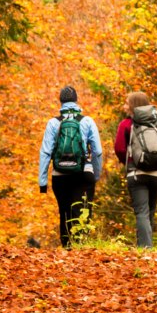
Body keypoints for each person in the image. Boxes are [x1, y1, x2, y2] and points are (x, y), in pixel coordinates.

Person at [38, 85, 103, 247]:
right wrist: (95, 175)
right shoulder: (87, 121)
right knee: (82, 211)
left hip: (60, 175)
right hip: (83, 173)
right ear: (76, 100)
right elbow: (98, 151)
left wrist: (42, 182)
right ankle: (81, 248)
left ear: (60, 101)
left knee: (65, 211)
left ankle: (67, 249)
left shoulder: (53, 123)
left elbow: (45, 152)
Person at [114, 91, 157, 248]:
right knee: (150, 211)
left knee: (141, 212)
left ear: (133, 105)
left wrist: (127, 162)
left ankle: (145, 250)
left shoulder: (126, 125)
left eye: (127, 103)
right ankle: (147, 247)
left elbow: (120, 148)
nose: (124, 106)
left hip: (136, 173)